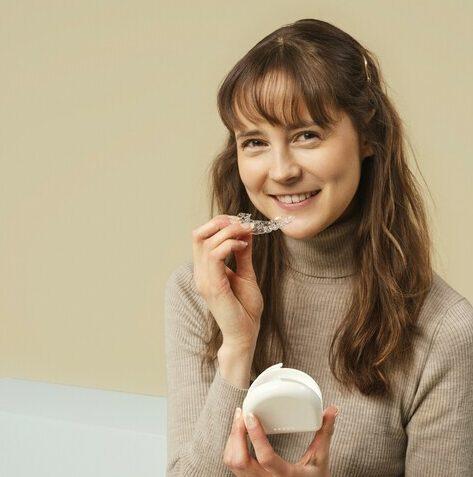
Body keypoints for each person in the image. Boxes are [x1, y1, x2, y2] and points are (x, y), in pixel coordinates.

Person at [164, 18, 473, 477]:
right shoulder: (199, 293)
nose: (282, 171)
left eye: (306, 135)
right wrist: (238, 346)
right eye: (255, 142)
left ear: (368, 136)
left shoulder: (445, 331)